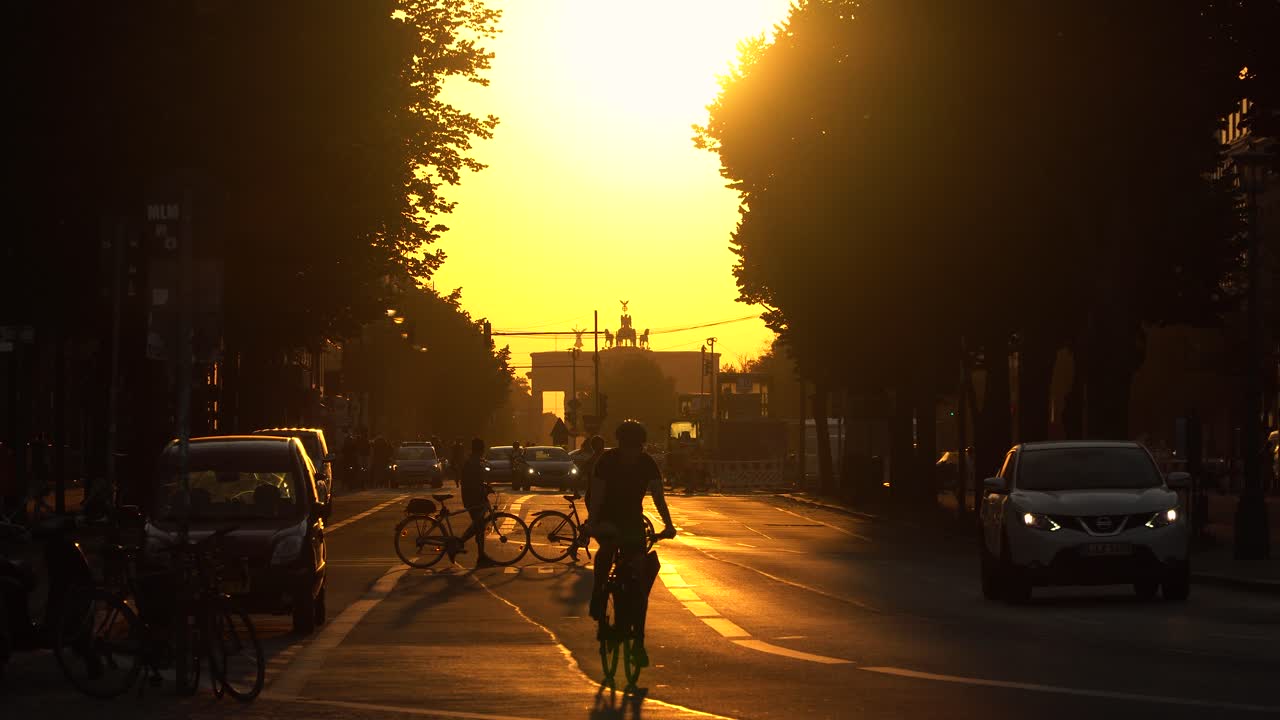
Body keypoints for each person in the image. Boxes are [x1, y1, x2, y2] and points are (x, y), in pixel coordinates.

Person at [584, 420, 676, 669]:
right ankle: (598, 592)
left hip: (632, 519)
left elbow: (659, 497)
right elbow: (597, 494)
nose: (631, 452)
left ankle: (639, 642)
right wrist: (593, 521)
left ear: (641, 446)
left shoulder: (647, 463)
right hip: (605, 514)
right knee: (607, 547)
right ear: (620, 444)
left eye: (635, 447)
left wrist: (668, 525)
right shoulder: (606, 462)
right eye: (627, 446)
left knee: (639, 576)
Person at [451, 437, 496, 567]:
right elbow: (474, 482)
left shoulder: (472, 461)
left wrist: (484, 488)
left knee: (479, 525)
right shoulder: (473, 462)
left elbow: (475, 481)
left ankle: (479, 554)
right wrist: (484, 490)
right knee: (479, 525)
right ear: (481, 449)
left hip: (473, 497)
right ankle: (463, 545)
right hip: (474, 498)